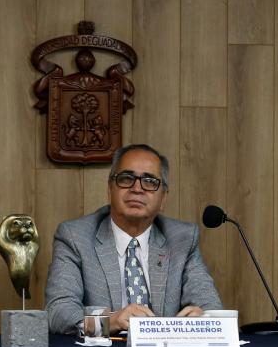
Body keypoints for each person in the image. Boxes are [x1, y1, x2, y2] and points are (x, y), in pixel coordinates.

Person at [45, 143, 222, 334]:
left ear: (163, 198)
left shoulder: (182, 239)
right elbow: (58, 311)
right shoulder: (75, 237)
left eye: (149, 181)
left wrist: (203, 318)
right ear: (110, 189)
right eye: (126, 178)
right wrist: (108, 322)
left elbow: (211, 307)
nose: (137, 188)